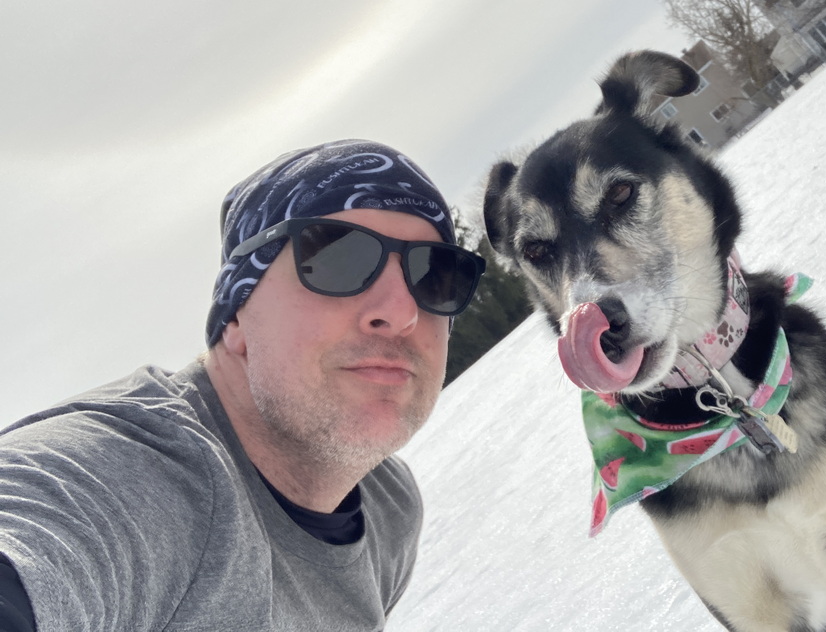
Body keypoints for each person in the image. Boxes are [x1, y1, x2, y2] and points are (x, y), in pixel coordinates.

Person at [0, 139, 486, 631]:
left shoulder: (389, 507)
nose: (402, 313)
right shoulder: (134, 471)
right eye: (339, 258)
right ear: (235, 315)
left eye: (435, 273)